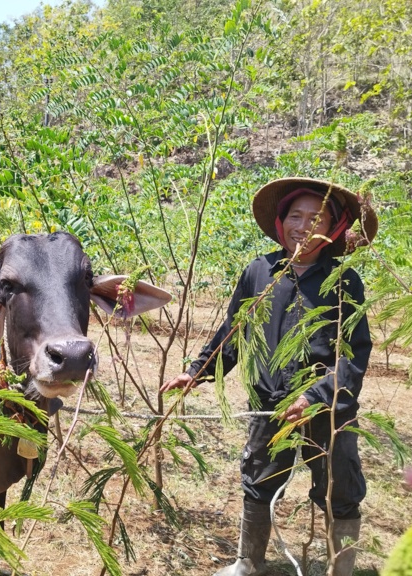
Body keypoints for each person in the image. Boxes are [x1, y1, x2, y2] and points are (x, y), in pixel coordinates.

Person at [162, 178, 378, 576]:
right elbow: (234, 333)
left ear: (333, 228)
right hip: (270, 405)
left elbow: (354, 354)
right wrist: (196, 372)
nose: (303, 226)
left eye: (316, 218)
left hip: (327, 409)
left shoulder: (344, 282)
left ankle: (342, 569)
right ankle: (248, 563)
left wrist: (317, 397)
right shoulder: (260, 272)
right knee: (259, 479)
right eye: (295, 216)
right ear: (281, 221)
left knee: (341, 488)